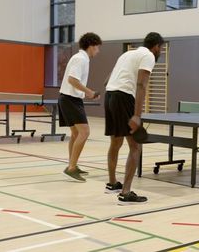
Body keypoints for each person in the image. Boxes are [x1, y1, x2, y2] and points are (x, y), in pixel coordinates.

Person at [104, 32, 164, 205]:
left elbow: (107, 79)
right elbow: (141, 85)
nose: (160, 52)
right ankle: (126, 193)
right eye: (160, 48)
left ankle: (113, 183)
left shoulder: (127, 54)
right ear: (156, 47)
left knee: (116, 142)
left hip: (110, 95)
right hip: (123, 97)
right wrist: (137, 116)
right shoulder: (148, 56)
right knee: (135, 146)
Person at [59, 32, 102, 182]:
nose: (98, 51)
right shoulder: (80, 59)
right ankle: (71, 168)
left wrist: (87, 93)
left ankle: (72, 165)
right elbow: (72, 79)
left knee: (76, 134)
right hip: (70, 99)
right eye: (97, 47)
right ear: (91, 46)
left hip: (69, 98)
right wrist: (89, 91)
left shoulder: (81, 58)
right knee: (84, 132)